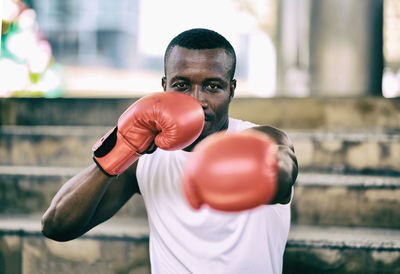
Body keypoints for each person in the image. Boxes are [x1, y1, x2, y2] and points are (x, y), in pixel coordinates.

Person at [41, 28, 298, 273]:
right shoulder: (144, 159)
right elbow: (56, 226)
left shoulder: (260, 138)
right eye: (182, 85)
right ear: (165, 86)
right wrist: (119, 149)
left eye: (213, 86)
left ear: (231, 89)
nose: (197, 100)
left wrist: (252, 169)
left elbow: (283, 171)